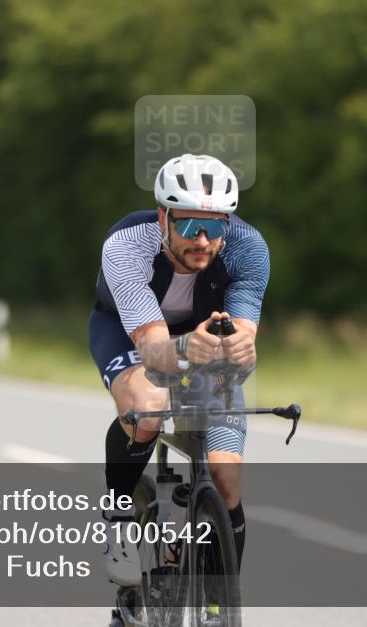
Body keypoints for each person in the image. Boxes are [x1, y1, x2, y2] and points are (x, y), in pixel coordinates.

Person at [88, 153, 270, 595]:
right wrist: (188, 346)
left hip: (202, 338)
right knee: (149, 405)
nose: (203, 240)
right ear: (162, 217)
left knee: (225, 475)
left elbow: (243, 346)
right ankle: (118, 515)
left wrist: (241, 349)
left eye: (216, 226)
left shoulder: (249, 247)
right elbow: (152, 349)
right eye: (188, 226)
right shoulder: (126, 244)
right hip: (129, 331)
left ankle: (218, 602)